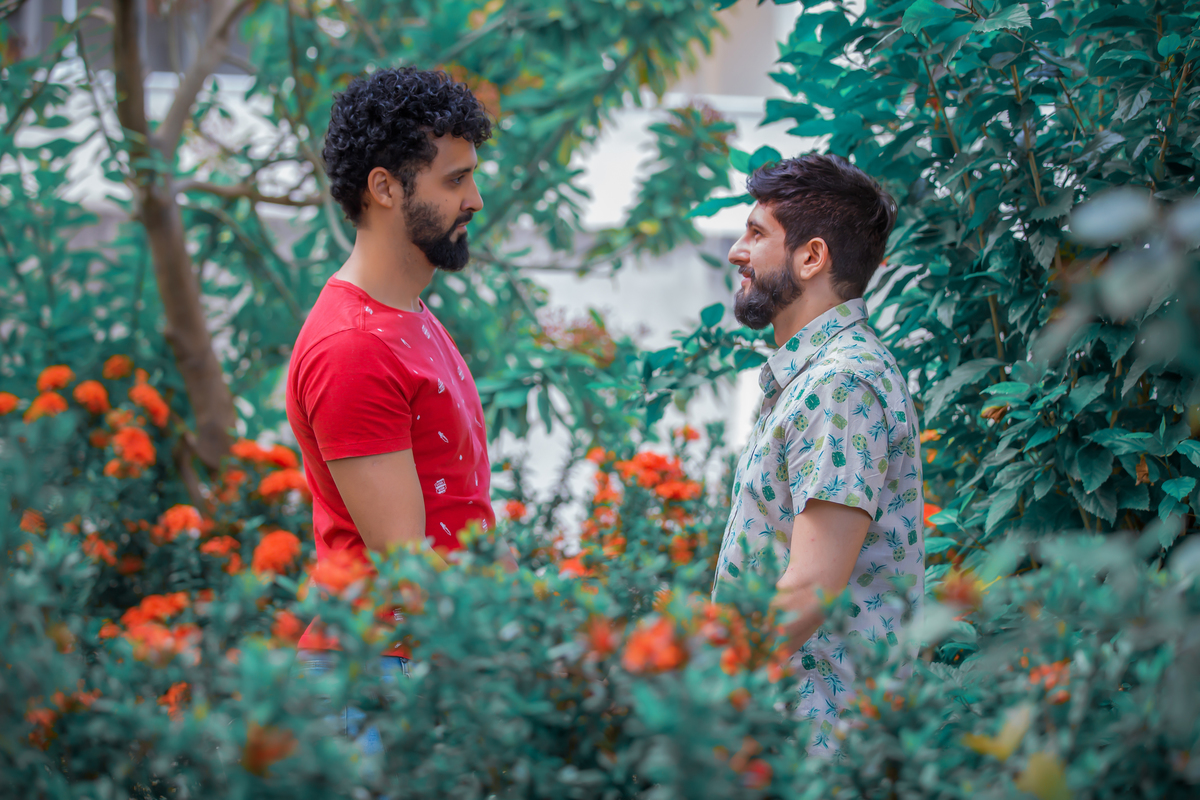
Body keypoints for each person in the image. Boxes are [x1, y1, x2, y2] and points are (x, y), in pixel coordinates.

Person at [285, 67, 495, 684]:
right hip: (378, 681)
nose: (475, 199)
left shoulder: (408, 318)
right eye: (455, 179)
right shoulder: (354, 345)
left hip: (418, 668)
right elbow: (408, 568)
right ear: (385, 187)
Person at [711, 153, 922, 754]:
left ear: (811, 257)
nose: (736, 251)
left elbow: (809, 591)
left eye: (756, 234)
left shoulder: (841, 384)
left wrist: (699, 687)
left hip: (818, 743)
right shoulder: (819, 378)